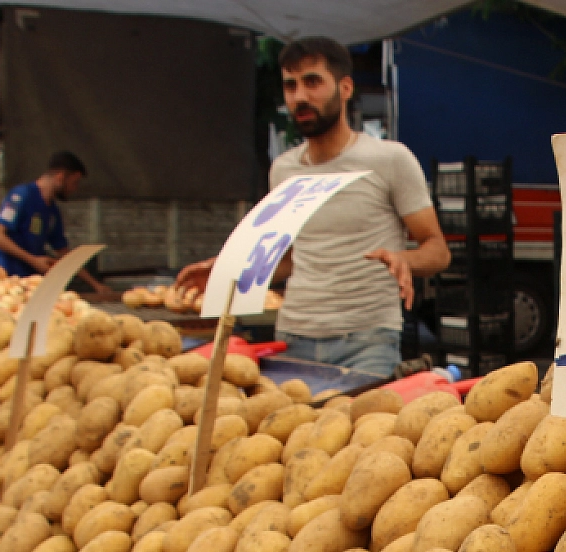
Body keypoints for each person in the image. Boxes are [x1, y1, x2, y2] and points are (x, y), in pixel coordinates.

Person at [175, 37, 449, 377]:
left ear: (345, 87)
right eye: (290, 86)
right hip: (293, 337)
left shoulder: (390, 159)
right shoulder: (284, 169)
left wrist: (405, 259)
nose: (300, 97)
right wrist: (228, 272)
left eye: (313, 82)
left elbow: (438, 250)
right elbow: (290, 258)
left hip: (367, 342)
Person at [0, 150, 112, 299]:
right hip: (4, 277)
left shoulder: (52, 212)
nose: (75, 189)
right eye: (74, 183)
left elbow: (65, 254)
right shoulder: (21, 196)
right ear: (60, 177)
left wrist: (95, 284)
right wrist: (33, 260)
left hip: (29, 283)